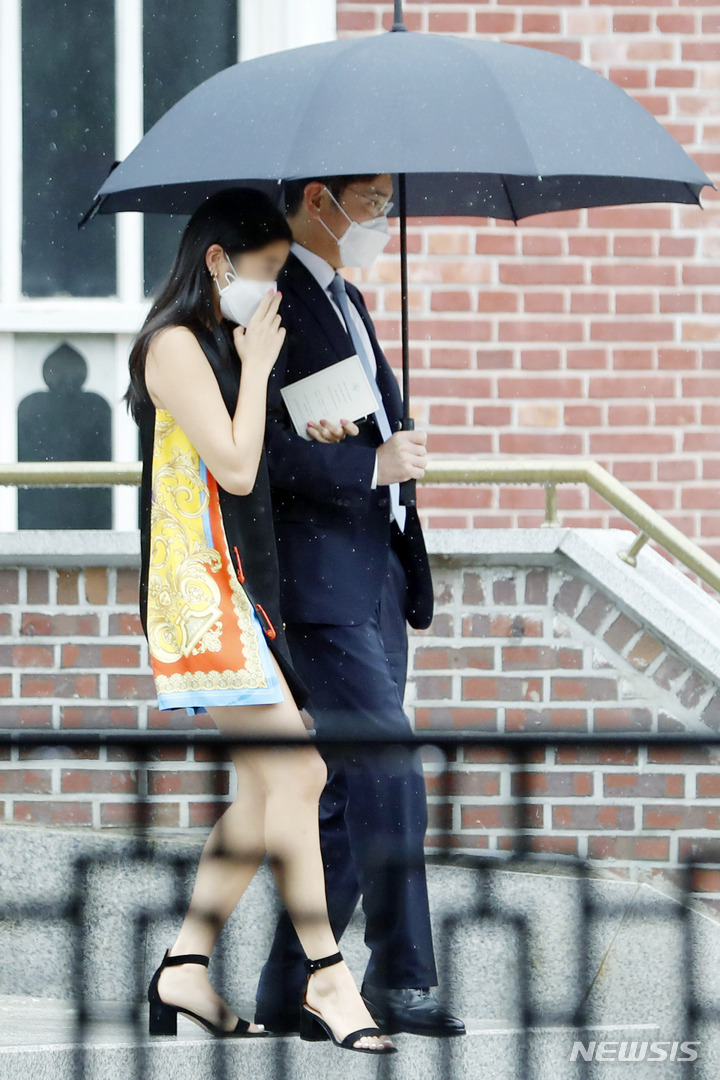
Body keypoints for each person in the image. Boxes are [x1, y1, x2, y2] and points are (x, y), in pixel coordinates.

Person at [125, 187, 395, 1055]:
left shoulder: (216, 345)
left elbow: (253, 461)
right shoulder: (172, 344)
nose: (275, 288)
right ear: (217, 261)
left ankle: (184, 968)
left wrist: (312, 424)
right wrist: (257, 366)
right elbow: (237, 468)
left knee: (264, 789)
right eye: (267, 269)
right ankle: (329, 975)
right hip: (197, 596)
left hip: (233, 588)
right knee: (303, 773)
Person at [255, 175, 466, 1038]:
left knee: (350, 786)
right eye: (374, 200)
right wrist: (371, 464)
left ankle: (288, 987)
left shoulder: (348, 298)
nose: (384, 217)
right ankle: (402, 976)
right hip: (318, 581)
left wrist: (390, 459)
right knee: (390, 762)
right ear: (320, 200)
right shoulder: (269, 300)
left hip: (375, 571)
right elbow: (256, 450)